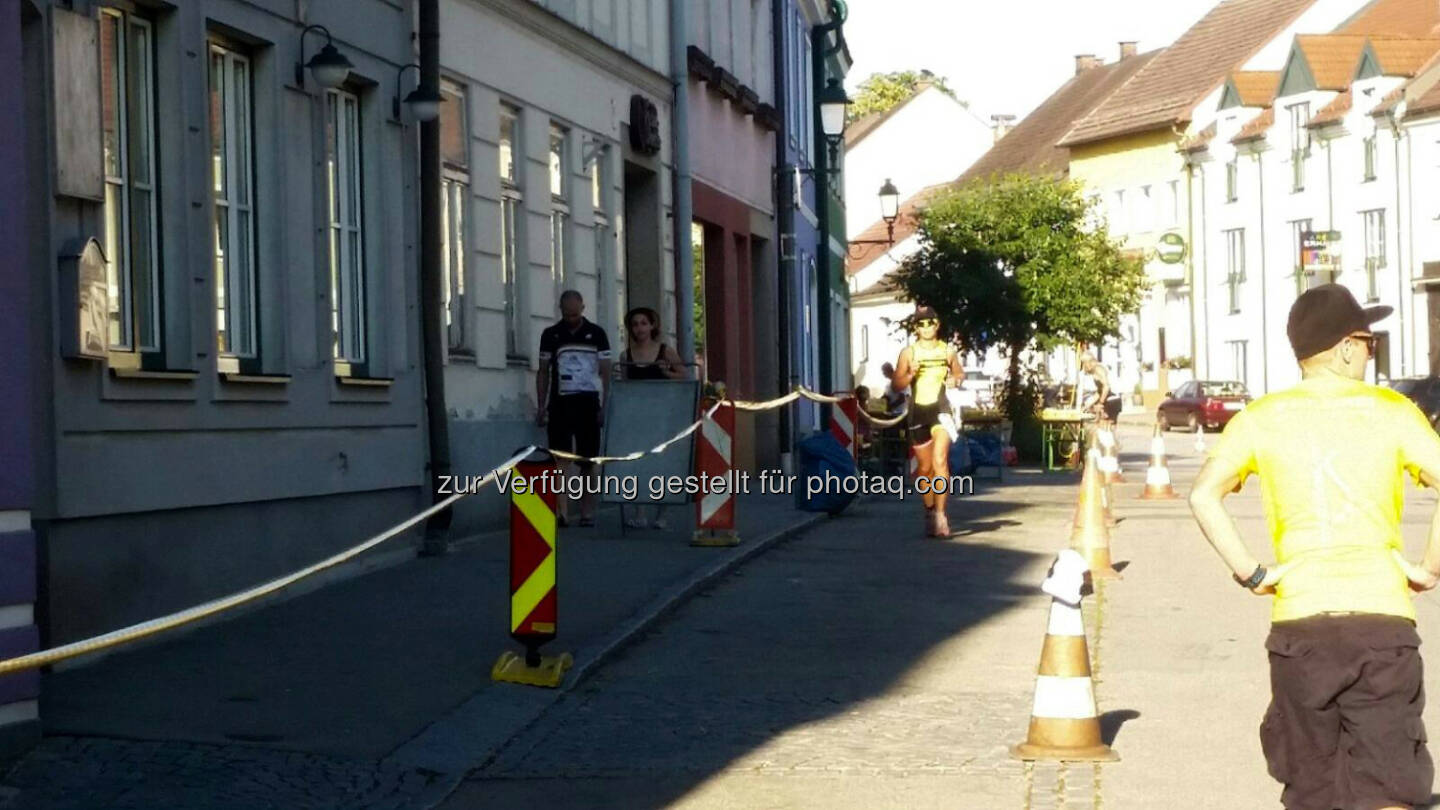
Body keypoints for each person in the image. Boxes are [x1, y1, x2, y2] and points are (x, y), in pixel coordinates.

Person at [1189, 284, 1440, 810]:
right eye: (1369, 343)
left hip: (1300, 630)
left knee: (1312, 790)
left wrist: (1253, 573)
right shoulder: (1393, 411)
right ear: (1346, 346)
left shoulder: (1260, 417)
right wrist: (1428, 567)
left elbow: (1202, 496)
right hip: (1382, 625)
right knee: (1390, 786)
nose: (1371, 354)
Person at [536, 290, 612, 527]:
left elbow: (607, 371)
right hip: (560, 404)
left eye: (575, 313)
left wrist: (605, 406)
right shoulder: (551, 334)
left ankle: (587, 511)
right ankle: (562, 510)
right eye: (567, 313)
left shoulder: (597, 334)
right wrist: (541, 406)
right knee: (560, 457)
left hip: (589, 403)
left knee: (588, 460)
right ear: (560, 310)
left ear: (582, 307)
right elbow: (543, 371)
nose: (571, 317)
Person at [889, 306, 965, 538]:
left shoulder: (947, 351)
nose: (926, 328)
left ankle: (941, 515)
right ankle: (930, 509)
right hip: (918, 411)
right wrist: (909, 374)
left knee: (940, 460)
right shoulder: (908, 353)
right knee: (924, 469)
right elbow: (896, 385)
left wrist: (956, 380)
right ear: (916, 328)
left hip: (941, 409)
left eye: (930, 323)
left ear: (937, 324)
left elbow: (959, 373)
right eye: (921, 324)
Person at [618, 307, 684, 529]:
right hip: (637, 416)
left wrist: (666, 373)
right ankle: (640, 511)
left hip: (663, 414)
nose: (639, 328)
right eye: (635, 324)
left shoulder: (665, 351)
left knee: (661, 462)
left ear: (652, 326)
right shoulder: (625, 355)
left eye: (644, 323)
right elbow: (624, 387)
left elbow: (683, 375)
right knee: (638, 462)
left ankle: (663, 512)